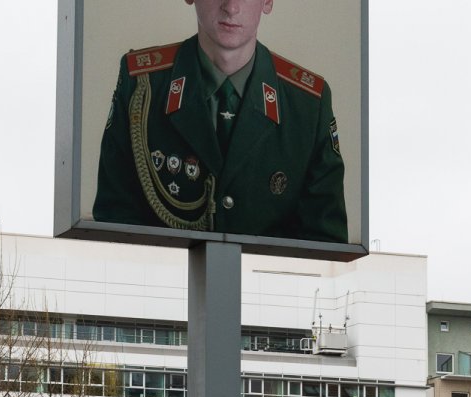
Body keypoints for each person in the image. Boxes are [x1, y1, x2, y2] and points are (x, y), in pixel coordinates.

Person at [94, 0, 347, 243]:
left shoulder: (307, 105)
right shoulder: (142, 86)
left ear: (268, 2)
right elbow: (115, 223)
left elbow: (324, 244)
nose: (231, 7)